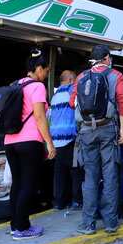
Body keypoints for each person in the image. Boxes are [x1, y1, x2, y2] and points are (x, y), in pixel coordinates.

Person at [69, 45, 123, 235]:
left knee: (90, 177)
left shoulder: (81, 77)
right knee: (110, 175)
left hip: (87, 130)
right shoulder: (116, 75)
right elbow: (122, 101)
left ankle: (88, 223)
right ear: (107, 58)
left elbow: (72, 103)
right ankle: (111, 222)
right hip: (108, 129)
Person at [5, 49, 56, 240]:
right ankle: (23, 228)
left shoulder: (14, 84)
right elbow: (40, 117)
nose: (46, 75)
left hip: (10, 141)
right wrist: (49, 144)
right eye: (46, 71)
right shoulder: (37, 87)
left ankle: (14, 225)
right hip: (29, 141)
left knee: (17, 184)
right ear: (39, 68)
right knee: (29, 184)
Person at [50, 70, 84, 211]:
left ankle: (58, 202)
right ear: (71, 80)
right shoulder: (73, 90)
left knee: (60, 170)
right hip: (69, 136)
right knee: (76, 170)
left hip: (56, 139)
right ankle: (77, 200)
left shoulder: (55, 96)